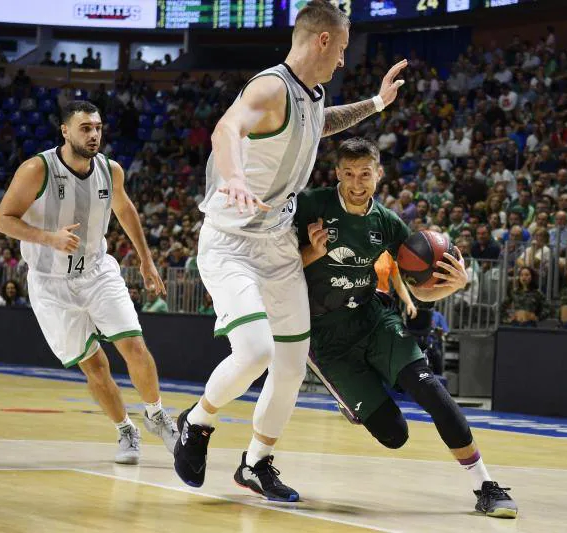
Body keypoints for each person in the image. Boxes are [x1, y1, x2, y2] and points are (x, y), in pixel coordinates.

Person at [172, 0, 408, 502]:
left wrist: (377, 104)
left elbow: (320, 124)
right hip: (231, 241)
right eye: (342, 48)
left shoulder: (311, 93)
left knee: (292, 364)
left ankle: (255, 463)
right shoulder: (271, 86)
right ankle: (196, 423)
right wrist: (234, 177)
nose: (344, 59)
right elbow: (225, 129)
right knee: (255, 350)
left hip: (277, 242)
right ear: (323, 40)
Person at [295, 138, 517, 518]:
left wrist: (454, 284)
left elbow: (420, 290)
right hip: (326, 338)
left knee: (430, 388)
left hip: (373, 319)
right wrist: (310, 254)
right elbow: (275, 270)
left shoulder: (386, 222)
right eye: (348, 173)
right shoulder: (311, 205)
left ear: (378, 175)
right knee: (395, 435)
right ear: (337, 174)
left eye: (365, 173)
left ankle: (486, 486)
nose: (356, 182)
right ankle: (355, 393)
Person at [0, 100, 178, 465]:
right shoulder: (37, 169)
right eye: (85, 128)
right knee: (94, 367)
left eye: (97, 128)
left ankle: (157, 415)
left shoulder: (111, 170)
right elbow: (2, 219)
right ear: (65, 131)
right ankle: (126, 428)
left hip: (97, 271)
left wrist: (145, 260)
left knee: (134, 346)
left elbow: (125, 210)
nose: (93, 135)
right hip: (50, 283)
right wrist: (48, 238)